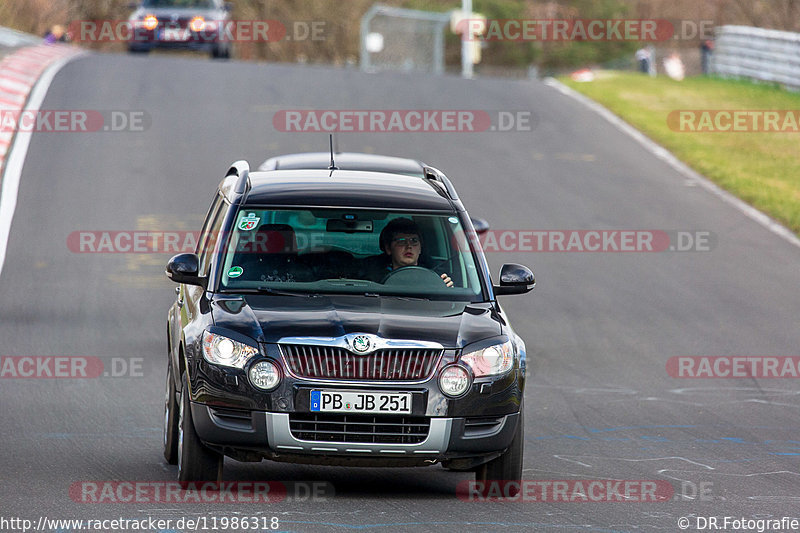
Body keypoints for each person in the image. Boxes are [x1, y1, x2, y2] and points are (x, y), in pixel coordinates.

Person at [363, 217, 453, 287]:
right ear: (388, 249)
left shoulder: (435, 276)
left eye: (414, 240)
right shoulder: (373, 280)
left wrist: (445, 289)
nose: (409, 246)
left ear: (420, 248)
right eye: (401, 241)